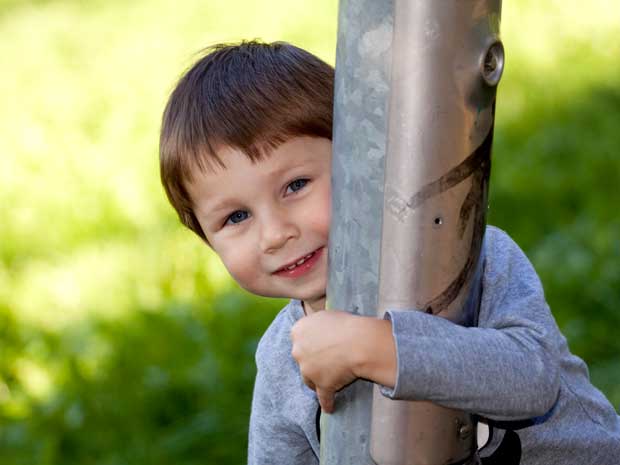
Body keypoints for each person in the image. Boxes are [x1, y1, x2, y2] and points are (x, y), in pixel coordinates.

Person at [159, 40, 620, 465]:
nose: (275, 234)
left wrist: (376, 347)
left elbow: (534, 380)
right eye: (236, 218)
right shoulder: (283, 361)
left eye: (295, 186)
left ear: (364, 160)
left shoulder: (471, 259)